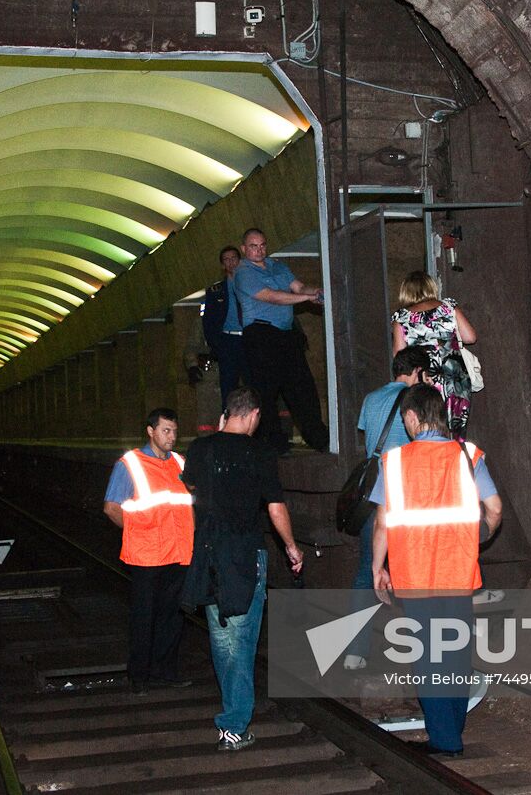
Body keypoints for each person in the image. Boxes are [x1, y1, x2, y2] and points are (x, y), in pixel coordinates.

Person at [369, 384, 503, 758]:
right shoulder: (467, 455)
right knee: (455, 653)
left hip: (415, 575)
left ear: (413, 417)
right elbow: (494, 508)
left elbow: (382, 523)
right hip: (459, 573)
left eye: (405, 420)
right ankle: (452, 729)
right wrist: (476, 538)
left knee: (429, 658)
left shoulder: (394, 462)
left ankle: (445, 739)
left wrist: (377, 567)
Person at [180, 387, 304, 751]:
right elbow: (275, 507)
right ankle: (233, 724)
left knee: (222, 638)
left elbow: (192, 489)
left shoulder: (200, 448)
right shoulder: (259, 452)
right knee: (243, 639)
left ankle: (231, 716)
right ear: (253, 415)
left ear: (226, 415)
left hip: (209, 552)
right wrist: (291, 547)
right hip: (245, 554)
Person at [343, 346, 433, 671]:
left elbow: (369, 438)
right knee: (415, 570)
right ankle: (420, 648)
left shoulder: (370, 399)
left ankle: (355, 651)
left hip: (373, 493)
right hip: (403, 492)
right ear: (418, 371)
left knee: (367, 569)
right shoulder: (416, 401)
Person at [102, 408, 195, 696]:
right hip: (147, 556)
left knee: (172, 617)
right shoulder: (130, 464)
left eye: (174, 431)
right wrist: (137, 531)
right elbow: (111, 508)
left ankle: (164, 671)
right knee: (144, 617)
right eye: (166, 431)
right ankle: (139, 676)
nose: (171, 437)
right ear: (150, 431)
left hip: (179, 554)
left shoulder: (180, 462)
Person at [233, 227, 329, 453]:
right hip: (261, 335)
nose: (259, 250)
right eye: (253, 246)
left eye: (262, 245)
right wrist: (305, 298)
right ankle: (273, 444)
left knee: (302, 386)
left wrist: (316, 292)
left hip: (285, 335)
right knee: (265, 393)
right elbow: (271, 296)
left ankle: (319, 439)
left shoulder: (278, 266)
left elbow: (299, 286)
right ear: (244, 249)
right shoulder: (243, 273)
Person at [391, 271, 479, 438]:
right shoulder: (448, 307)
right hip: (455, 379)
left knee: (430, 431)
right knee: (456, 432)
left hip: (426, 382)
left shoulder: (401, 318)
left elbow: (400, 358)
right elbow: (470, 337)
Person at [197, 245, 251, 405]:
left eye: (234, 258)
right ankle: (228, 417)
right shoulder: (215, 291)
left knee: (254, 383)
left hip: (250, 338)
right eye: (227, 260)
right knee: (228, 387)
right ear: (222, 265)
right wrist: (217, 346)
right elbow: (209, 322)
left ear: (240, 261)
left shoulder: (252, 285)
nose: (231, 262)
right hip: (228, 341)